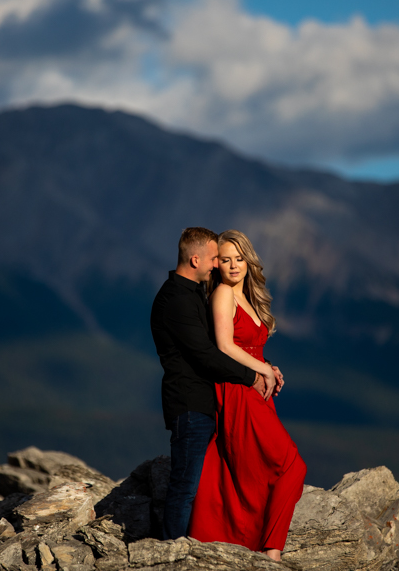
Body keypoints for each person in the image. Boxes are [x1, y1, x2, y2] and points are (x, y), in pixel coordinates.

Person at [151, 227, 278, 540]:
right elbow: (206, 355)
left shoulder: (192, 292)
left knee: (204, 485)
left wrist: (264, 368)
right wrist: (252, 377)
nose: (217, 266)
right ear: (195, 259)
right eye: (213, 259)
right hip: (190, 406)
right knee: (185, 487)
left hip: (206, 404)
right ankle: (170, 552)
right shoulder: (176, 300)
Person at [188, 229, 306, 562]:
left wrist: (268, 364)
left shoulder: (248, 296)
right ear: (217, 265)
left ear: (248, 260)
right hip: (238, 391)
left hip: (257, 390)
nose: (233, 265)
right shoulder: (223, 294)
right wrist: (263, 370)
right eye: (225, 260)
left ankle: (254, 544)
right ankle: (272, 553)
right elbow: (225, 346)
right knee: (291, 464)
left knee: (261, 471)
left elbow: (249, 345)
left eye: (239, 258)